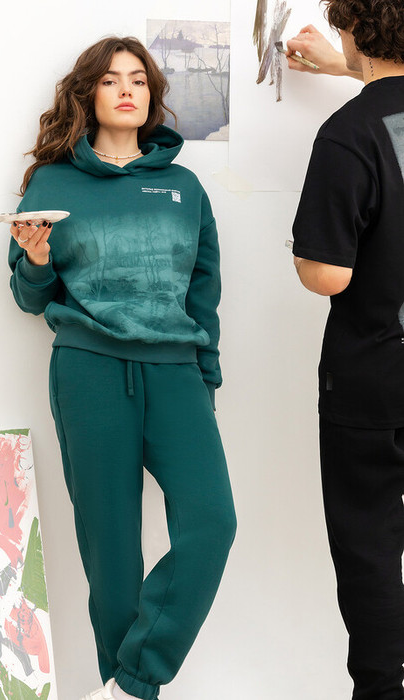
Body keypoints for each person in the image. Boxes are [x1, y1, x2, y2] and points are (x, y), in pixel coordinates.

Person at [8, 36, 236, 700]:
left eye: (137, 78)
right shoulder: (51, 184)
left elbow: (204, 292)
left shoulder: (183, 187)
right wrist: (38, 259)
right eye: (110, 80)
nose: (127, 89)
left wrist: (205, 379)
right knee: (111, 556)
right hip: (89, 371)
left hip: (176, 374)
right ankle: (126, 690)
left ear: (152, 94)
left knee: (212, 523)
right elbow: (29, 298)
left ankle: (133, 682)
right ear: (89, 94)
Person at [290, 2, 404, 698]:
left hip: (373, 383)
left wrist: (303, 252)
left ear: (355, 29)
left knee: (371, 551)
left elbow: (327, 273)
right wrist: (350, 68)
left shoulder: (348, 133)